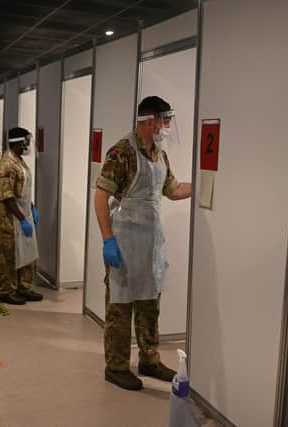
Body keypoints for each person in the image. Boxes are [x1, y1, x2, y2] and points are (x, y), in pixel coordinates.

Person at [95, 96, 192, 391]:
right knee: (121, 307)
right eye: (165, 121)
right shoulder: (122, 152)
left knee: (150, 303)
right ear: (149, 121)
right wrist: (108, 239)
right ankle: (116, 366)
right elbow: (101, 196)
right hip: (124, 242)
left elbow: (172, 190)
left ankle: (149, 359)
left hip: (150, 243)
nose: (167, 127)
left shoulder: (159, 154)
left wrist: (202, 184)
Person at [0, 127, 42, 305]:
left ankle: (24, 287)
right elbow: (7, 196)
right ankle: (7, 291)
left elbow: (23, 189)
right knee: (9, 254)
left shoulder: (19, 161)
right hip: (8, 216)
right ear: (18, 142)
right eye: (26, 141)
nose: (28, 145)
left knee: (27, 251)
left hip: (23, 212)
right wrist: (22, 219)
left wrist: (32, 208)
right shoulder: (6, 164)